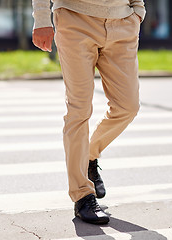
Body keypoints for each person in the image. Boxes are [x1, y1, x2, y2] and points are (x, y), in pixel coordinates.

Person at [32, 0, 146, 225]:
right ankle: (83, 195)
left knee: (127, 107)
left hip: (123, 22)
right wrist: (42, 19)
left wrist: (137, 11)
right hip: (75, 19)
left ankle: (89, 155)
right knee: (79, 109)